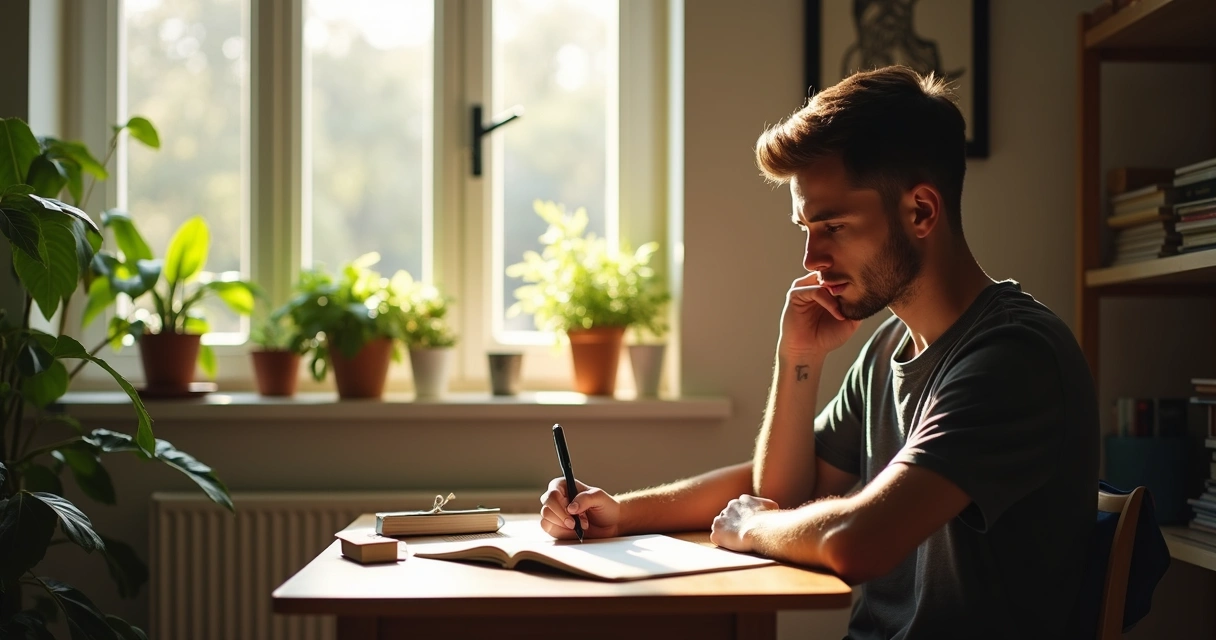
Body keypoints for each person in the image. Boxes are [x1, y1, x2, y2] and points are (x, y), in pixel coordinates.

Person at [538, 65, 1099, 639]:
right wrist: (797, 359)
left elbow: (859, 541)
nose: (811, 258)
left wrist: (753, 529)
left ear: (921, 212)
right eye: (805, 228)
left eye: (833, 226)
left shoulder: (1012, 358)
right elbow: (782, 492)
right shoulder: (889, 346)